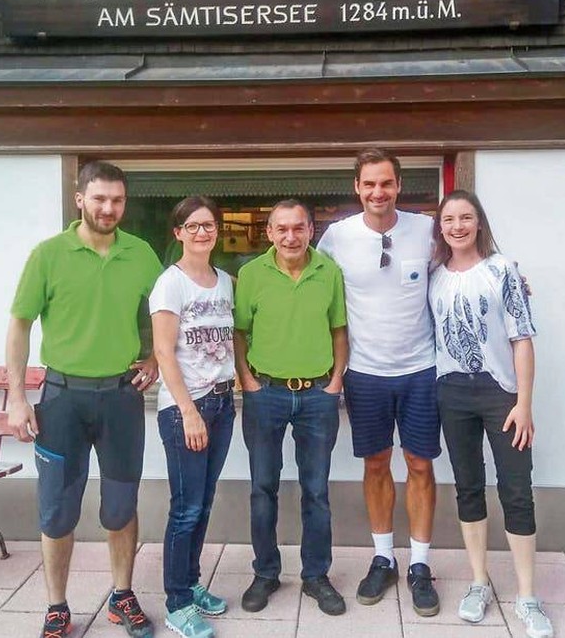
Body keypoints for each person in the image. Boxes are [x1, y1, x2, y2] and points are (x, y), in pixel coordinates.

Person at [5, 161, 162, 638]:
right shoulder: (49, 255)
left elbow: (165, 311)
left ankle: (122, 595)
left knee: (120, 506)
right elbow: (19, 324)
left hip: (121, 399)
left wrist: (155, 355)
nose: (109, 208)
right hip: (62, 400)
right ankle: (56, 606)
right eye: (99, 199)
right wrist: (17, 396)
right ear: (80, 199)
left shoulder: (141, 255)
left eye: (117, 200)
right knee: (57, 511)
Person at [317, 148, 440, 617]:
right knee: (375, 465)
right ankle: (384, 557)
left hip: (420, 369)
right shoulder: (337, 237)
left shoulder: (427, 230)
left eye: (385, 183)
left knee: (422, 466)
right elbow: (308, 284)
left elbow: (464, 263)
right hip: (364, 372)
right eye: (369, 184)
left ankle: (421, 566)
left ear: (399, 186)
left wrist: (510, 277)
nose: (377, 192)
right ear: (357, 188)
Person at [429, 189, 553, 638]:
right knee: (468, 488)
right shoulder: (433, 275)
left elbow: (522, 339)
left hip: (501, 394)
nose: (457, 226)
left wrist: (523, 402)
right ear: (440, 228)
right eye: (448, 220)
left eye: (465, 217)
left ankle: (527, 596)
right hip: (451, 393)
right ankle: (479, 582)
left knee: (517, 491)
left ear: (479, 223)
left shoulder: (503, 271)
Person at [234, 199, 348, 616]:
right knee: (263, 487)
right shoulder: (250, 274)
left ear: (311, 230)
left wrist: (335, 382)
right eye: (281, 229)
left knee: (316, 490)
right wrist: (247, 381)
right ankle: (265, 572)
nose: (290, 236)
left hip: (317, 394)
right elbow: (239, 333)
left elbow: (339, 329)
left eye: (298, 228)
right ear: (269, 233)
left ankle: (316, 575)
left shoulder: (328, 272)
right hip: (266, 394)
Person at [149, 197, 235, 638]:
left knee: (202, 505)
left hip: (222, 404)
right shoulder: (171, 284)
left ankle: (191, 582)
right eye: (193, 226)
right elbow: (163, 351)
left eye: (209, 225)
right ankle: (177, 603)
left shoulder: (224, 282)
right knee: (185, 509)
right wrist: (188, 412)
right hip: (188, 408)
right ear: (178, 232)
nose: (203, 232)